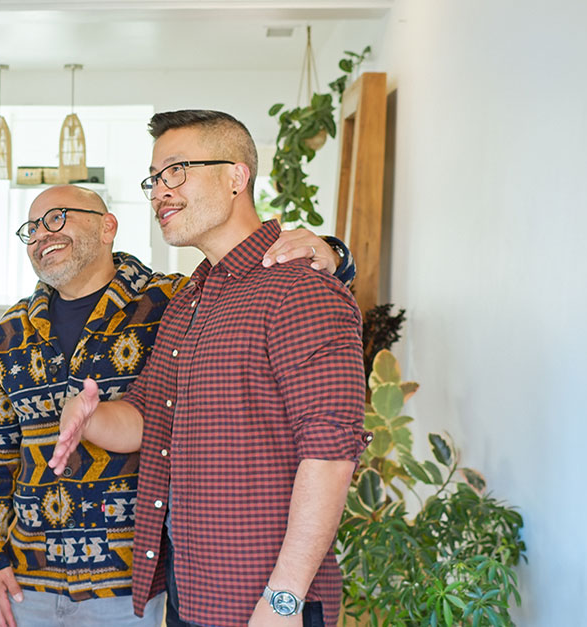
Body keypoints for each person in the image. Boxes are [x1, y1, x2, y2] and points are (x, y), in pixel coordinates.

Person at [0, 182, 353, 627]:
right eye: (30, 228)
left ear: (107, 227)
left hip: (134, 582)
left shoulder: (173, 300)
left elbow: (264, 287)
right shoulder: (12, 330)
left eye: (56, 218)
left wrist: (333, 254)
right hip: (26, 573)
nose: (40, 234)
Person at [50, 110, 369, 627]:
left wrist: (283, 599)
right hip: (192, 589)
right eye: (154, 178)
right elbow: (148, 417)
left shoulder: (302, 289)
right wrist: (87, 416)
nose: (159, 192)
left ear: (236, 176)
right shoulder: (190, 298)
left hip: (266, 601)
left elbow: (330, 455)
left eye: (176, 171)